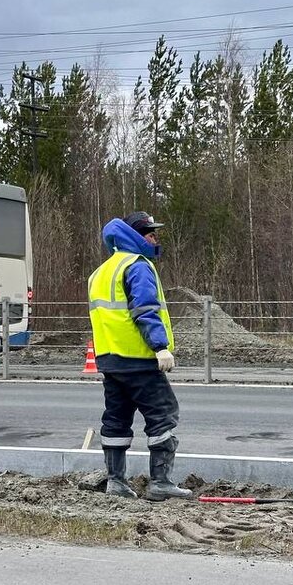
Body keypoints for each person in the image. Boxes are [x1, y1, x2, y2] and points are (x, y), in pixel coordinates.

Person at [87, 211, 191, 501]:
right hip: (139, 359)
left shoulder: (100, 272)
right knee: (163, 415)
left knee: (116, 420)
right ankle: (161, 482)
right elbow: (145, 309)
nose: (155, 239)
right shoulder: (138, 265)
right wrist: (160, 346)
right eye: (150, 234)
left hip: (111, 361)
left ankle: (116, 482)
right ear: (135, 237)